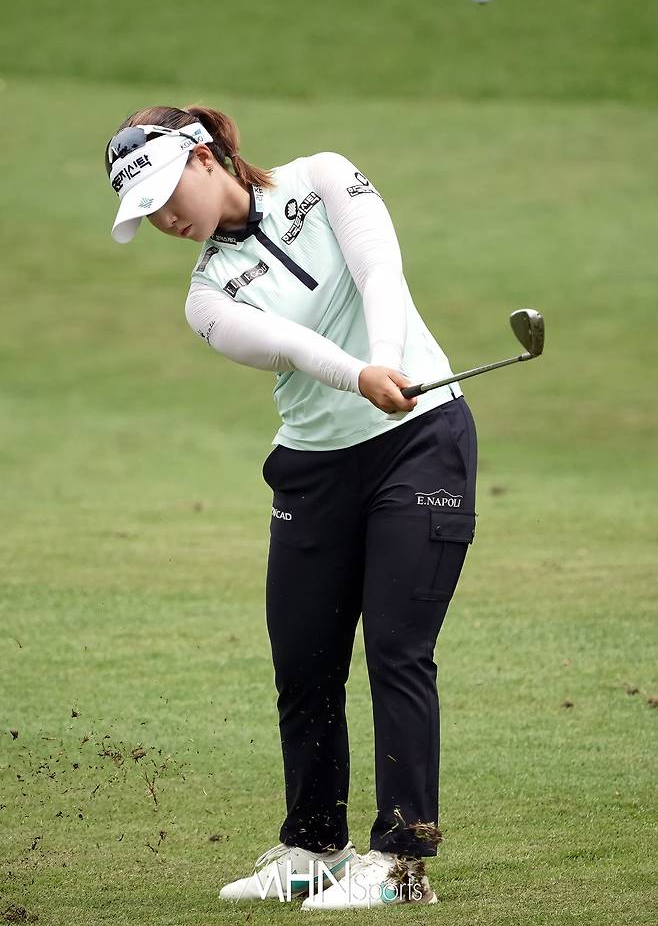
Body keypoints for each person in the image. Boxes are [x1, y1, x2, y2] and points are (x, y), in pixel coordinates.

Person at [104, 105, 478, 909]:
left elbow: (380, 270)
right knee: (304, 661)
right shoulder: (206, 296)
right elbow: (288, 348)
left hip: (420, 443)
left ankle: (401, 863)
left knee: (397, 649)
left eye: (166, 195)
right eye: (147, 213)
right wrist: (360, 376)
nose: (165, 220)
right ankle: (315, 845)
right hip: (313, 469)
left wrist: (387, 361)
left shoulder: (324, 176)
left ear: (205, 158)